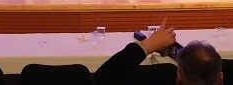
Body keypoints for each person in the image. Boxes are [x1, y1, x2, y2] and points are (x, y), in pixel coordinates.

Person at [95, 29, 223, 85]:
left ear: (179, 76)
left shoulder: (165, 74)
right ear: (220, 78)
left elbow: (103, 78)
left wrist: (150, 44)